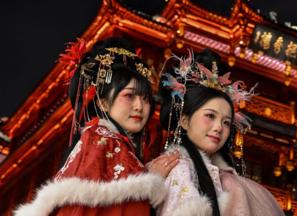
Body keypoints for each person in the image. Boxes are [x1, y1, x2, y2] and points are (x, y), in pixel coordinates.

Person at [14, 37, 179, 216]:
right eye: (129, 96)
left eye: (146, 98)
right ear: (103, 103)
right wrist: (149, 180)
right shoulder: (103, 140)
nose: (140, 106)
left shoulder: (101, 139)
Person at [157, 49, 285, 216]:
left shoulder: (229, 179)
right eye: (210, 115)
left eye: (226, 122)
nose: (219, 127)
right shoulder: (179, 169)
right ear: (184, 120)